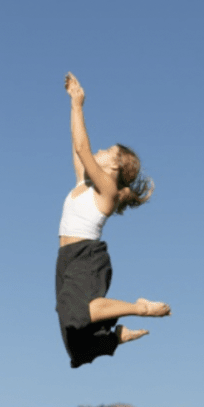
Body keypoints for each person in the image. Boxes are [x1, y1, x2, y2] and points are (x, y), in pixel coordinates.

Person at [56, 72, 170, 368]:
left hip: (86, 257)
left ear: (115, 166)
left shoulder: (106, 191)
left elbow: (83, 148)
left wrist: (80, 105)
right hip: (67, 258)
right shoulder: (85, 184)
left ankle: (139, 308)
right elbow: (76, 145)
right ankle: (114, 337)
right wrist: (72, 102)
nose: (101, 150)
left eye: (108, 151)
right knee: (74, 343)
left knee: (81, 312)